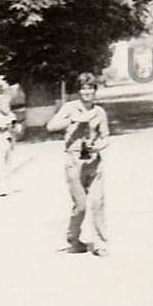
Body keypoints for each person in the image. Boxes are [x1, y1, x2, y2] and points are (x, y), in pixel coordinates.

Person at [46, 74, 111, 254]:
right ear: (79, 90)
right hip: (74, 162)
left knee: (98, 202)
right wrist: (73, 120)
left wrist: (97, 147)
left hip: (93, 161)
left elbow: (106, 137)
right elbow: (50, 126)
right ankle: (73, 239)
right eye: (84, 88)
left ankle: (100, 243)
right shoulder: (70, 107)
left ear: (95, 90)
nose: (87, 92)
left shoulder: (99, 112)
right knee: (81, 205)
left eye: (91, 88)